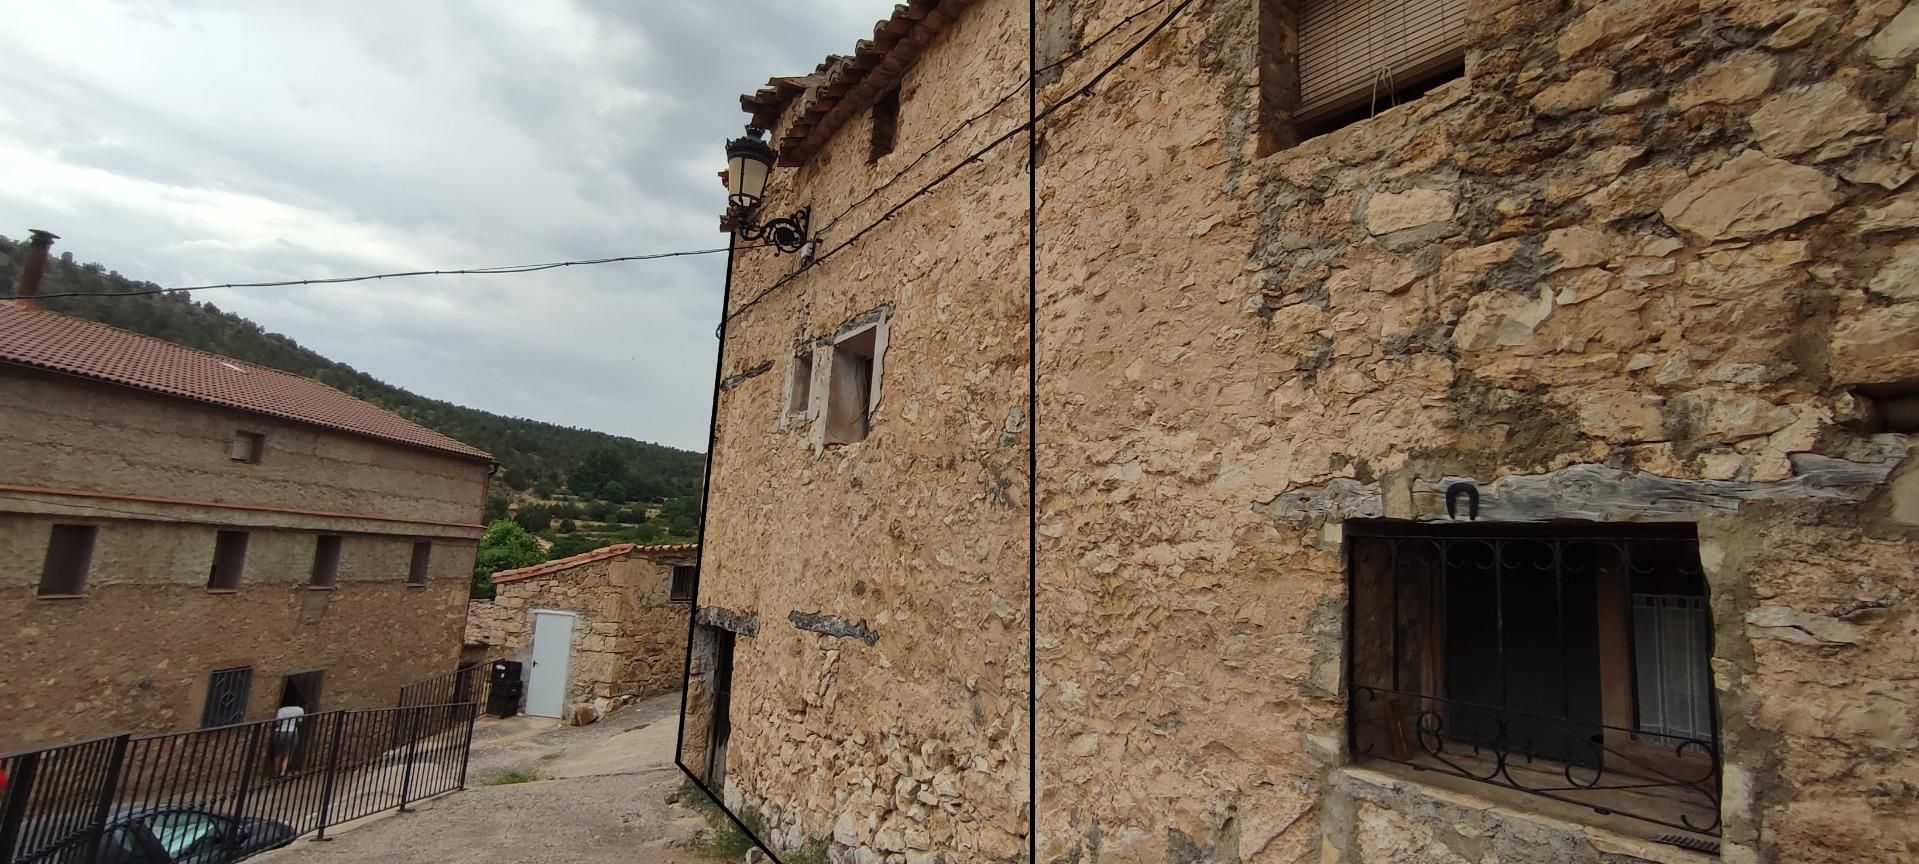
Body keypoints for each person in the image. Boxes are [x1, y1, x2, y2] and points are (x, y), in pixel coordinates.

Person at [270, 703, 306, 777]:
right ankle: (283, 772)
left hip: (280, 732)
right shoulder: (300, 710)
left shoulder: (281, 710)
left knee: (278, 753)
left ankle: (276, 773)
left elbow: (278, 722)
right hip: (292, 732)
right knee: (287, 753)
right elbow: (299, 721)